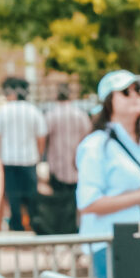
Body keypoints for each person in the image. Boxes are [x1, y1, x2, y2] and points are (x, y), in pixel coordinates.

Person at [75, 71, 140, 278]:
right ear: (109, 100)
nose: (135, 96)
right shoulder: (96, 145)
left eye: (138, 90)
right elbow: (89, 202)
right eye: (126, 92)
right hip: (110, 243)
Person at [0, 77, 46, 233]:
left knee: (13, 196)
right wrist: (39, 155)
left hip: (9, 159)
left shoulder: (3, 111)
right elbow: (41, 136)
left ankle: (17, 226)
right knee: (31, 196)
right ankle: (33, 224)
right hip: (29, 159)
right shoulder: (33, 110)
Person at [41, 79, 91, 234]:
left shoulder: (51, 115)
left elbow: (44, 140)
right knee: (76, 202)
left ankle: (62, 231)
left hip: (57, 167)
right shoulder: (81, 115)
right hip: (78, 167)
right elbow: (88, 138)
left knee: (60, 204)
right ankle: (74, 231)